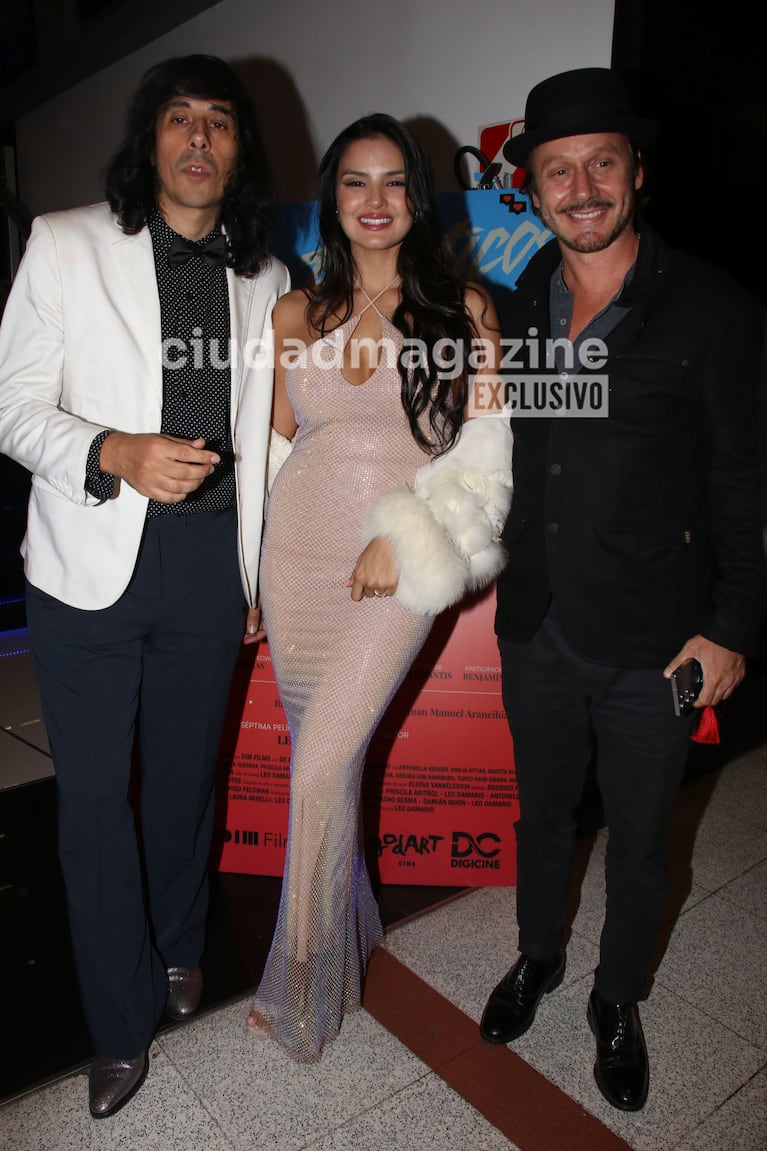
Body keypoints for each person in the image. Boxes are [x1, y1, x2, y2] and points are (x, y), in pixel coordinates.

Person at [0, 55, 289, 1117]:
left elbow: (272, 445)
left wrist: (259, 571)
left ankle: (176, 945)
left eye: (219, 121)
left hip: (211, 570)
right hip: (89, 568)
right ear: (149, 138)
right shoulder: (69, 241)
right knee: (89, 802)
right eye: (180, 118)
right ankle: (118, 1023)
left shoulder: (267, 278)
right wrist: (116, 449)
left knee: (180, 781)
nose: (200, 138)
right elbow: (11, 405)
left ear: (240, 149)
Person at [480, 67, 765, 1111]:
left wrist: (730, 622)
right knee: (541, 816)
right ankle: (537, 957)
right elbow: (503, 450)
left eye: (601, 162)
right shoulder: (516, 304)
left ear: (636, 172)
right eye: (557, 170)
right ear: (534, 190)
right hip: (537, 622)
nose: (581, 185)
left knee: (642, 841)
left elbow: (743, 481)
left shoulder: (711, 309)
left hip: (657, 637)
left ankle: (613, 996)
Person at [245, 112, 513, 1061]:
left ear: (416, 199)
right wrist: (248, 568)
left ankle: (303, 980)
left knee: (315, 771)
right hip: (296, 563)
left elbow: (487, 450)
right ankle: (344, 937)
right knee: (333, 763)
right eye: (354, 182)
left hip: (395, 563)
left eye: (393, 181)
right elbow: (271, 448)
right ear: (331, 200)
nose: (373, 200)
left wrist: (411, 532)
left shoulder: (466, 309)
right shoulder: (292, 314)